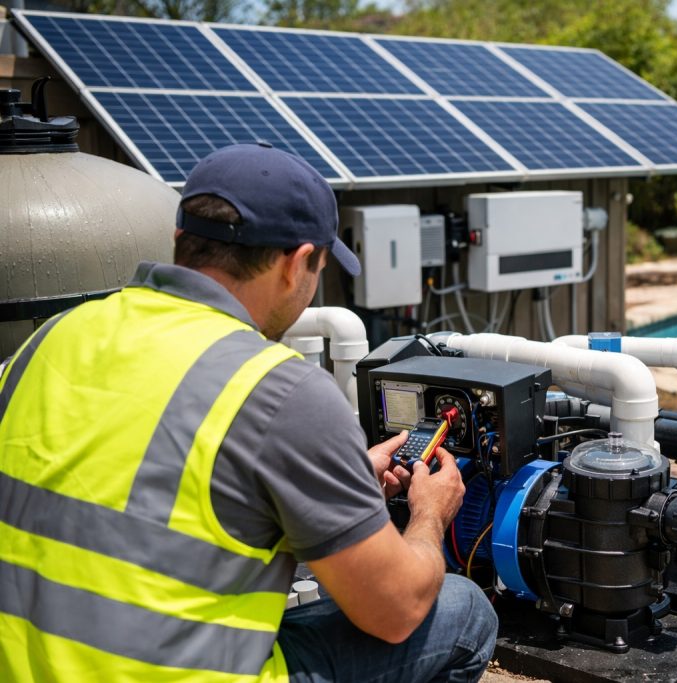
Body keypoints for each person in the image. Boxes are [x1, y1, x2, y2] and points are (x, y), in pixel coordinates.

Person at [0, 143, 498, 682]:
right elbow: (395, 612)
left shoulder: (48, 340)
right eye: (319, 268)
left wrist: (338, 486)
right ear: (295, 263)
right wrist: (430, 514)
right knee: (462, 610)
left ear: (180, 241)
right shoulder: (278, 390)